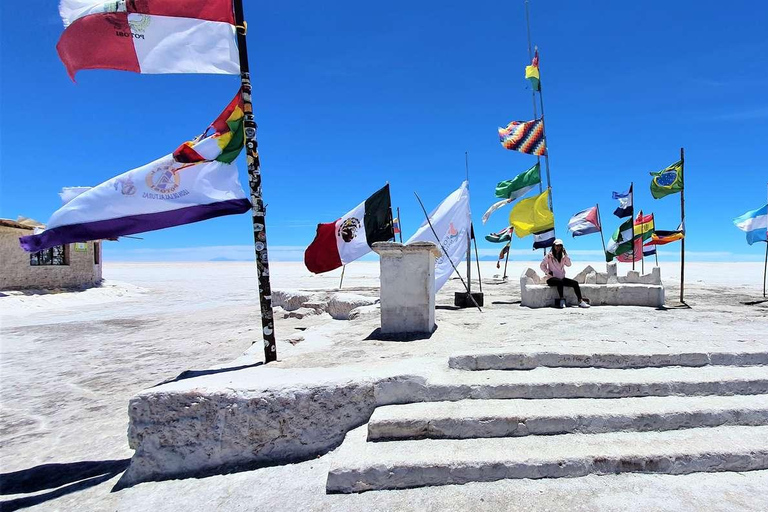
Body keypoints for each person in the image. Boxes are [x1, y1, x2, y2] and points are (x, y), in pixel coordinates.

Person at [540, 239, 590, 308]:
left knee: (575, 283)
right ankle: (562, 300)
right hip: (551, 279)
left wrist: (566, 255)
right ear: (554, 246)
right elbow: (542, 265)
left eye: (560, 246)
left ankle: (580, 301)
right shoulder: (549, 256)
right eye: (557, 245)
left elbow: (569, 264)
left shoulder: (563, 256)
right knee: (559, 282)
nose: (558, 247)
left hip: (561, 278)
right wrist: (548, 272)